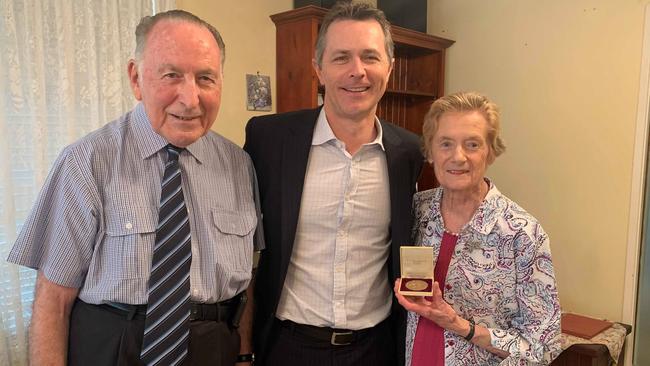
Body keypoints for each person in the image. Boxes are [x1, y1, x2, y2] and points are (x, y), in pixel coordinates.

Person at [7, 10, 263, 366]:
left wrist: (245, 355)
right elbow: (54, 300)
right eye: (171, 75)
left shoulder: (239, 165)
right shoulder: (86, 162)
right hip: (113, 346)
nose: (190, 99)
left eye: (206, 78)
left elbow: (246, 279)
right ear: (136, 78)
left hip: (215, 346)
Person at [244, 2, 423, 366]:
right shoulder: (269, 140)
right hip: (287, 346)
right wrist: (243, 349)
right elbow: (239, 243)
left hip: (376, 348)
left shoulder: (409, 152)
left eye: (370, 57)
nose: (357, 72)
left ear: (389, 67)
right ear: (318, 69)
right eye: (341, 58)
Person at [395, 91, 561, 365]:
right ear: (430, 152)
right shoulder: (415, 210)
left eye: (472, 144)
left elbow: (543, 348)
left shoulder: (522, 234)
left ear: (491, 152)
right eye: (445, 144)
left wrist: (460, 325)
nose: (458, 157)